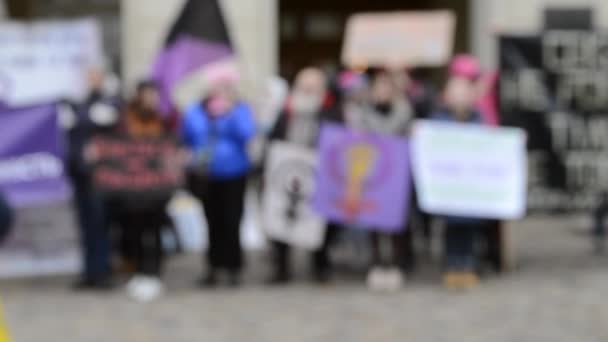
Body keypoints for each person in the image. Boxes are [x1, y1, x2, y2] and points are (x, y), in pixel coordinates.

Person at [266, 67, 342, 285]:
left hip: (318, 174)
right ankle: (281, 267)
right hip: (288, 171)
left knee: (320, 223)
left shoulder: (331, 111)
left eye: (312, 86)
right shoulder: (286, 110)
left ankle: (320, 265)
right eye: (304, 86)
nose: (307, 90)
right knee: (283, 217)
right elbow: (274, 138)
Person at [182, 67, 256, 288]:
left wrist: (230, 112)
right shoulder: (197, 110)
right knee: (211, 221)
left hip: (234, 173)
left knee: (232, 220)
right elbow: (188, 135)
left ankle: (233, 267)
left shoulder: (240, 109)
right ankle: (213, 267)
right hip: (207, 174)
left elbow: (247, 133)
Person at [342, 69, 414, 290]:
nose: (382, 92)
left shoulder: (404, 112)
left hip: (396, 174)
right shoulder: (361, 113)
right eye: (378, 87)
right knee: (373, 218)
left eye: (387, 87)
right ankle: (376, 263)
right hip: (373, 174)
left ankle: (397, 263)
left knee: (397, 222)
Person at [109, 80, 174, 301]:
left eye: (154, 94)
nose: (150, 99)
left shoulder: (163, 119)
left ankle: (154, 272)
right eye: (147, 94)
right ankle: (137, 270)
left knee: (155, 231)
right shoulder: (126, 120)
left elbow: (172, 145)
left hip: (156, 188)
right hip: (133, 188)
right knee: (134, 231)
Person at [60, 66, 121, 290]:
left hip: (100, 173)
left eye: (95, 76)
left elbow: (96, 120)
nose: (90, 80)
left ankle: (103, 271)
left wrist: (78, 114)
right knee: (85, 223)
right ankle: (89, 271)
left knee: (100, 223)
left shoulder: (109, 101)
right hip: (79, 170)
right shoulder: (81, 103)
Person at [432, 55, 485, 290]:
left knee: (469, 231)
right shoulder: (439, 118)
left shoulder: (478, 119)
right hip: (449, 188)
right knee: (451, 230)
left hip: (469, 189)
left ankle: (467, 263)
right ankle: (452, 264)